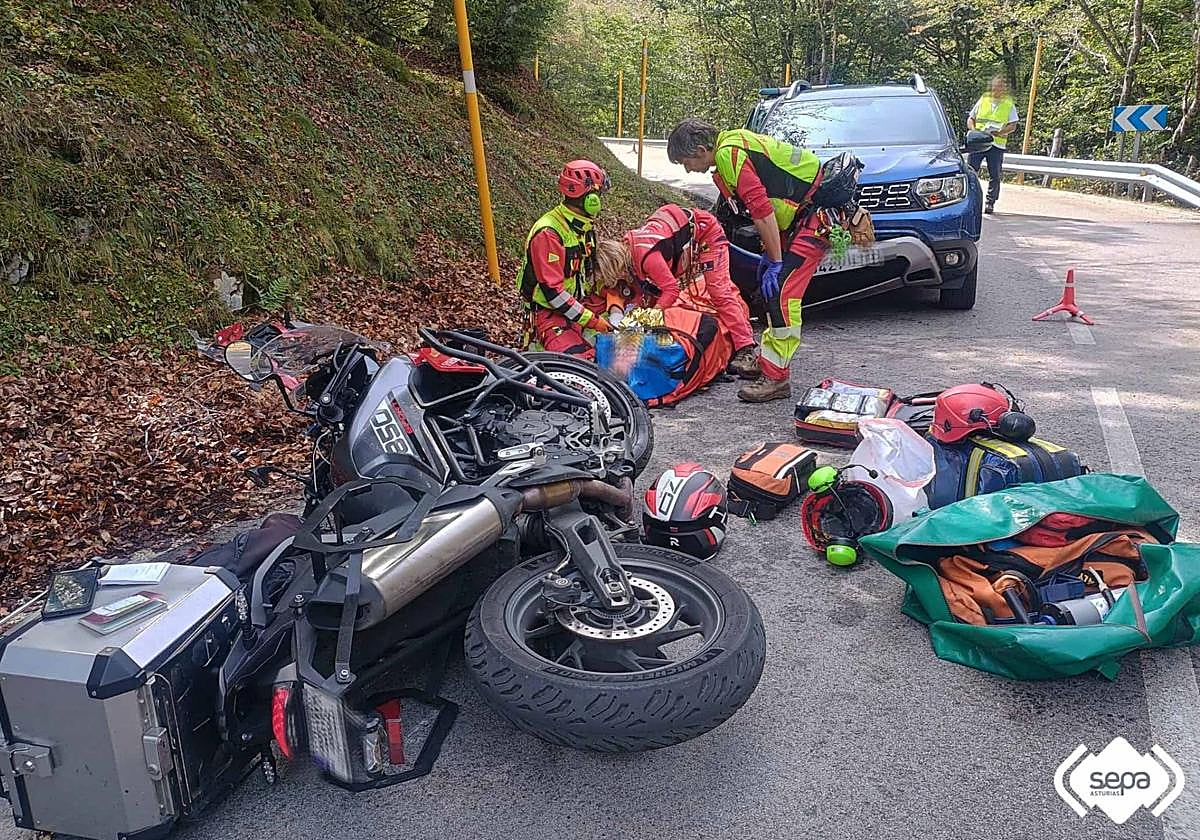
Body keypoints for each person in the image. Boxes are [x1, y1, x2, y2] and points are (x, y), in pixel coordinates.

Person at [666, 119, 826, 403]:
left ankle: (776, 379)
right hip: (800, 218)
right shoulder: (733, 144)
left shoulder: (730, 155)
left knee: (781, 294)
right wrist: (770, 251)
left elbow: (762, 211)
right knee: (770, 290)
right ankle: (766, 360)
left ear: (702, 150)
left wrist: (776, 262)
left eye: (686, 162)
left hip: (814, 218)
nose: (688, 169)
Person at [591, 204, 759, 379]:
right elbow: (638, 295)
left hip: (706, 235)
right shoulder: (628, 252)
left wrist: (649, 316)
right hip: (681, 229)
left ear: (616, 266)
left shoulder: (648, 257)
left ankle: (746, 349)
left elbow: (672, 290)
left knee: (719, 292)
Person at [516, 160, 611, 359]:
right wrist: (592, 321)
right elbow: (554, 294)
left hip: (575, 305)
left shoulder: (580, 227)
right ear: (590, 198)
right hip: (548, 313)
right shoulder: (549, 233)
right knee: (581, 363)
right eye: (599, 194)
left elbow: (588, 271)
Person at [967, 76, 1019, 214]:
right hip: (979, 142)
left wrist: (1001, 131)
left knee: (994, 175)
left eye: (1000, 87)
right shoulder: (983, 100)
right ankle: (970, 200)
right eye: (995, 87)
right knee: (971, 171)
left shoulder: (1008, 104)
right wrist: (973, 132)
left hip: (997, 144)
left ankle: (990, 202)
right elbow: (971, 119)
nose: (997, 90)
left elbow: (1013, 125)